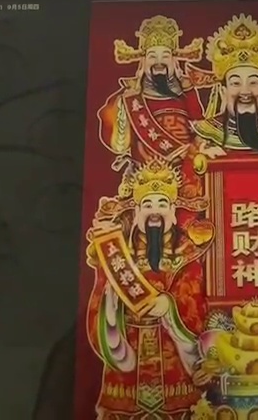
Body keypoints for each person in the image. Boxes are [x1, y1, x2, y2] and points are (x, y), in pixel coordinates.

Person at [85, 160, 214, 418]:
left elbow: (198, 306)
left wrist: (169, 307)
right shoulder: (119, 255)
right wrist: (113, 295)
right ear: (137, 212)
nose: (155, 212)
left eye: (162, 204)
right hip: (127, 371)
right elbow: (98, 304)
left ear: (173, 212)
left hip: (176, 373)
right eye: (147, 205)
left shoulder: (188, 255)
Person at [98, 16, 204, 167]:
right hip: (143, 174)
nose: (159, 62)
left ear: (173, 61)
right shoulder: (130, 98)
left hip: (183, 171)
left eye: (165, 56)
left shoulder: (187, 93)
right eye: (152, 56)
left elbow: (200, 132)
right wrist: (122, 113)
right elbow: (118, 145)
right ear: (144, 62)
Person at [191, 14, 258, 154]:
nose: (245, 91)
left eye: (253, 82)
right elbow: (190, 164)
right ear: (223, 91)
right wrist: (202, 158)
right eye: (235, 83)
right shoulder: (209, 133)